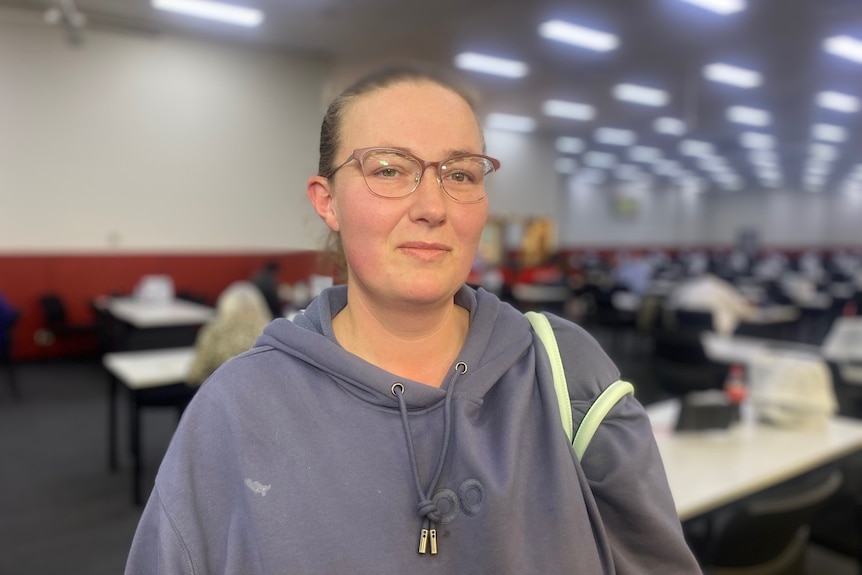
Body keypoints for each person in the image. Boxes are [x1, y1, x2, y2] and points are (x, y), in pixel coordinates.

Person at [125, 65, 700, 574]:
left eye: (460, 174)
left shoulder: (564, 376)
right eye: (390, 169)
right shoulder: (236, 410)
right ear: (327, 200)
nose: (432, 206)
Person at [185, 281, 273, 386]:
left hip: (222, 395)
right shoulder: (270, 332)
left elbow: (195, 375)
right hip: (263, 396)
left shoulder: (215, 331)